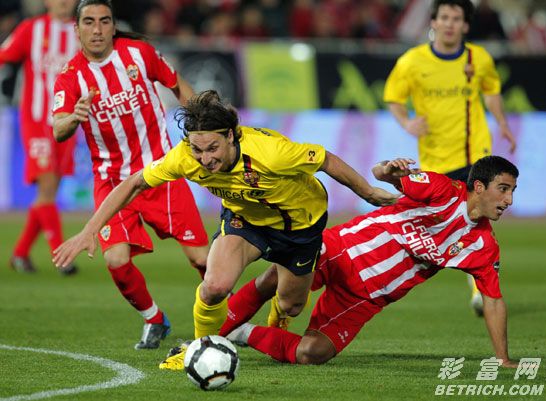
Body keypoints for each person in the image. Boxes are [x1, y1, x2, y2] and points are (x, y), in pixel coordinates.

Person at [52, 89, 399, 351]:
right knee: (214, 286)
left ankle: (275, 302)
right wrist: (89, 230)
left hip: (299, 225)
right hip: (244, 219)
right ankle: (199, 350)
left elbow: (325, 160)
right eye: (197, 149)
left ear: (231, 136)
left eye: (212, 149)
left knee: (291, 304)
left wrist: (368, 191)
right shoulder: (184, 157)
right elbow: (133, 183)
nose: (204, 159)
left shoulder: (271, 154)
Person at [224, 155, 518, 368]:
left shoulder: (483, 246)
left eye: (512, 191)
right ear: (479, 186)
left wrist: (502, 359)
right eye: (503, 189)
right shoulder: (442, 189)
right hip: (342, 250)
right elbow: (381, 174)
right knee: (273, 281)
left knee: (312, 353)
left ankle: (241, 332)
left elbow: (493, 301)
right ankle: (211, 332)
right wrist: (388, 169)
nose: (509, 200)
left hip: (365, 297)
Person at [51, 0, 210, 350]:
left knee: (202, 259)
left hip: (161, 172)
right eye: (89, 22)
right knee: (116, 260)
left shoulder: (139, 53)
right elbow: (58, 128)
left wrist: (204, 122)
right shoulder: (70, 76)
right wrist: (74, 117)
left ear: (113, 25)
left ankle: (226, 321)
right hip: (112, 182)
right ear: (76, 29)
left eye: (104, 21)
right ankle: (154, 318)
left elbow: (177, 84)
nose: (97, 29)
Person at [383, 0, 516, 314]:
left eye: (456, 18)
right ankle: (387, 279)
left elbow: (491, 90)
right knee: (434, 227)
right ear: (434, 22)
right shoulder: (412, 61)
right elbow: (393, 97)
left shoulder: (478, 58)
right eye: (444, 17)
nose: (449, 24)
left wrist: (502, 123)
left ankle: (480, 290)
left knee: (477, 221)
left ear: (465, 25)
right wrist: (407, 122)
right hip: (436, 159)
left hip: (475, 155)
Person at [0, 0, 79, 275]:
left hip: (67, 122)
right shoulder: (30, 29)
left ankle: (20, 254)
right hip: (35, 120)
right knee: (46, 185)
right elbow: (4, 55)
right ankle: (62, 256)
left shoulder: (83, 32)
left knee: (49, 193)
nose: (64, 2)